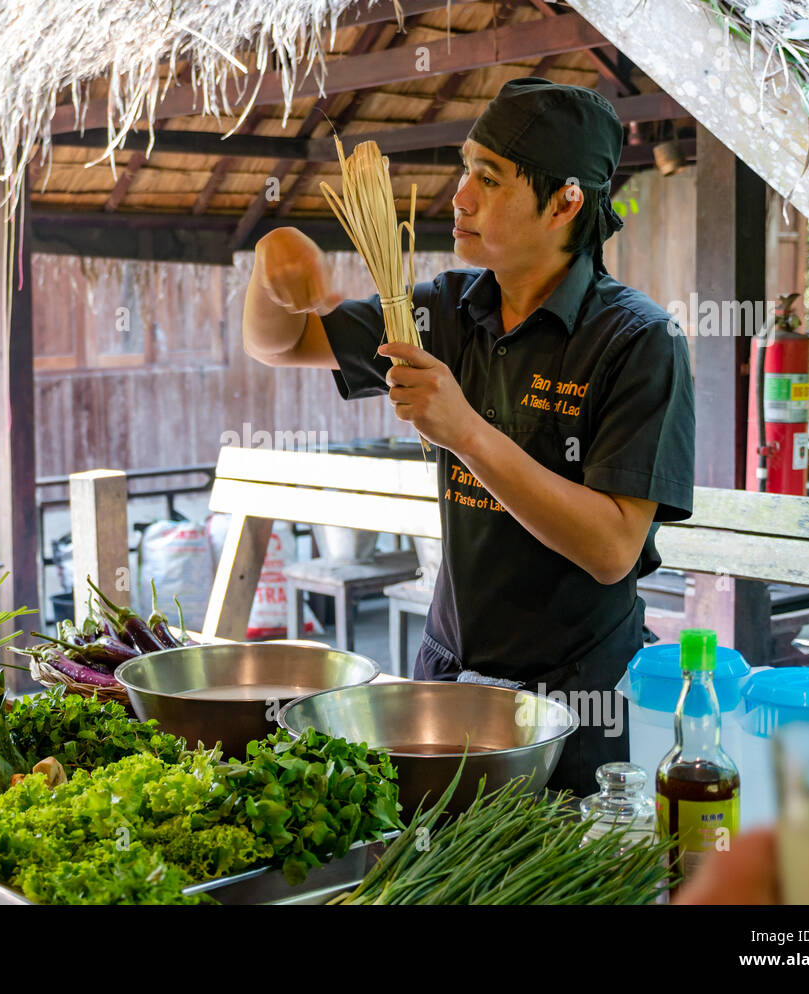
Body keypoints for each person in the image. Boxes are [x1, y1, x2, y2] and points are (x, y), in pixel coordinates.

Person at [241, 78, 696, 795]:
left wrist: (465, 432)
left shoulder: (636, 342)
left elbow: (613, 549)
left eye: (489, 178)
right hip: (449, 688)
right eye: (464, 169)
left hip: (573, 711)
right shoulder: (440, 310)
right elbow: (284, 342)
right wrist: (272, 269)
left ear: (566, 202)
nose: (460, 195)